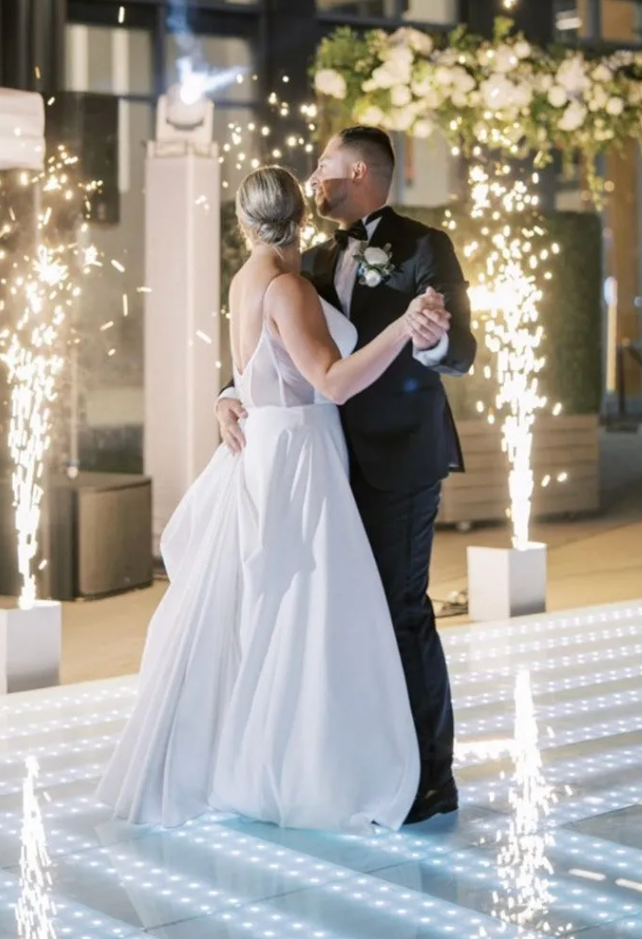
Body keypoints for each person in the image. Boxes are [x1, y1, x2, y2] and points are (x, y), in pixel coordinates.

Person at [97, 164, 449, 832]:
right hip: (299, 455)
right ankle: (296, 770)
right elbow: (334, 381)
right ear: (302, 215)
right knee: (306, 615)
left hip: (270, 446)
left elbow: (258, 369)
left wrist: (228, 395)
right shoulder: (287, 285)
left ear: (243, 221)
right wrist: (403, 326)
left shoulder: (246, 277)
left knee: (268, 612)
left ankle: (253, 757)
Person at [216, 127, 476, 825]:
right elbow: (280, 341)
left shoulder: (426, 247)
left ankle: (427, 775)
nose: (314, 174)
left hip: (397, 457)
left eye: (324, 164)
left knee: (399, 610)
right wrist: (229, 393)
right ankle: (351, 759)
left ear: (358, 171)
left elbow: (461, 351)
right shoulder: (310, 255)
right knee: (335, 619)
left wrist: (434, 339)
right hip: (321, 466)